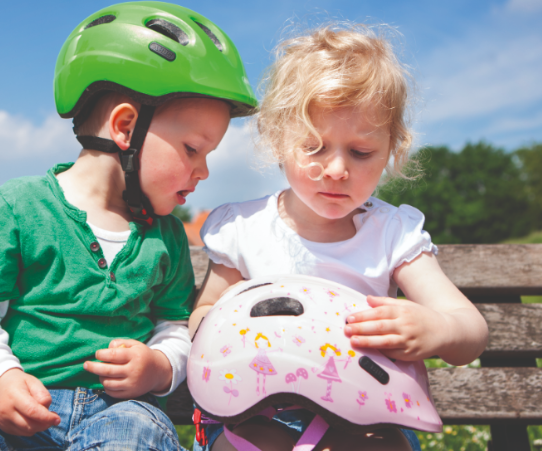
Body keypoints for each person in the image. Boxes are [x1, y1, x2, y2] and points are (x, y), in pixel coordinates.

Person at [0, 1, 256, 451]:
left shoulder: (167, 237)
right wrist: (1, 379)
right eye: (193, 149)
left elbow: (174, 326)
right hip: (17, 410)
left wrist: (160, 365)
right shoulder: (18, 206)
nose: (204, 171)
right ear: (126, 127)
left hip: (118, 412)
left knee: (135, 434)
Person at [188, 22, 489, 451]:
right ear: (277, 140)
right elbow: (205, 312)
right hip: (255, 410)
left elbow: (470, 330)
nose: (336, 170)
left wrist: (437, 328)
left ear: (392, 148)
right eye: (314, 146)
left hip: (366, 418)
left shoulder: (392, 235)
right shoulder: (244, 229)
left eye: (361, 152)